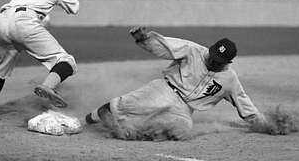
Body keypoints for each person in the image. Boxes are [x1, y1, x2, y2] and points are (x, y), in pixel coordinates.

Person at [84, 27, 269, 140]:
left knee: (182, 131)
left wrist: (266, 125)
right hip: (166, 90)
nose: (212, 61)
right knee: (128, 105)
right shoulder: (193, 50)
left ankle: (136, 134)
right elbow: (165, 46)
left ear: (227, 63)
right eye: (212, 56)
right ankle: (92, 117)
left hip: (184, 110)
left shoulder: (229, 80)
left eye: (218, 60)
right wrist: (145, 39)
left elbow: (245, 105)